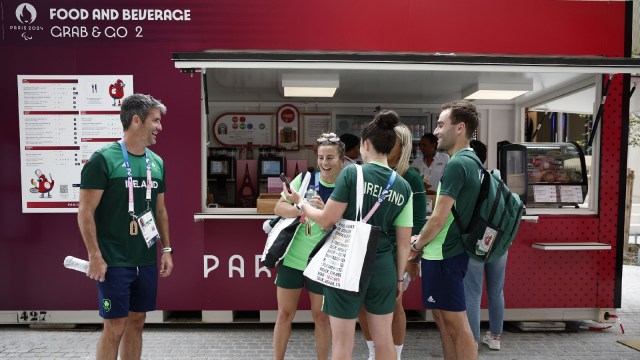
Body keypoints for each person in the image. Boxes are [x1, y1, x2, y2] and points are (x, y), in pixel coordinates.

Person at [284, 110, 413, 360]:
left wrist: (300, 202)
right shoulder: (403, 185)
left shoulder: (352, 174)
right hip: (384, 267)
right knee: (384, 341)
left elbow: (327, 219)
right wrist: (398, 280)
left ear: (365, 144)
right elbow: (404, 241)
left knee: (343, 344)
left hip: (347, 263)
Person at [78, 94, 173, 360]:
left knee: (137, 320)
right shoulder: (103, 160)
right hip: (114, 260)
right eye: (155, 120)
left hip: (144, 258)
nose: (159, 127)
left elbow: (160, 210)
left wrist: (166, 249)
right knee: (115, 325)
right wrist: (94, 256)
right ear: (135, 120)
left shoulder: (157, 162)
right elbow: (85, 212)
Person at [409, 100, 480, 360]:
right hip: (447, 252)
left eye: (441, 125)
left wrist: (416, 246)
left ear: (459, 127)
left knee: (456, 325)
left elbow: (439, 218)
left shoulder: (458, 165)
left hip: (443, 254)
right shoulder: (471, 161)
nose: (436, 131)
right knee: (443, 320)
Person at [272, 132, 344, 360]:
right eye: (321, 157)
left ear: (341, 160)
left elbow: (350, 224)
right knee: (284, 314)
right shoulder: (303, 180)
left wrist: (326, 213)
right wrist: (301, 208)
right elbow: (279, 208)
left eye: (331, 157)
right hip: (292, 259)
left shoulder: (345, 186)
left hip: (323, 262)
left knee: (321, 318)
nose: (325, 163)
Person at [357, 124, 427, 360]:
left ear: (403, 146)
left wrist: (412, 258)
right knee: (364, 304)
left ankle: (395, 355)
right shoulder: (369, 172)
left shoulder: (410, 179)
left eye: (391, 141)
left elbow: (417, 223)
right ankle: (373, 352)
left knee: (395, 305)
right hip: (367, 253)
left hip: (397, 255)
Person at [465, 139, 508, 351]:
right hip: (498, 240)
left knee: (472, 292)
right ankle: (495, 337)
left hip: (477, 241)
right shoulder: (497, 177)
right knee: (496, 290)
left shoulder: (470, 178)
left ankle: (472, 339)